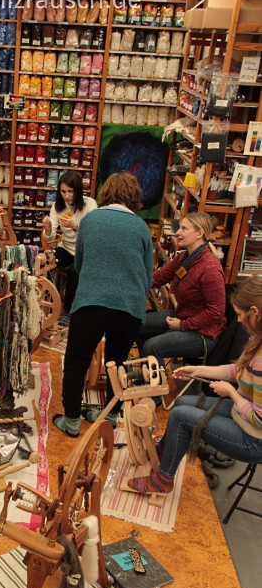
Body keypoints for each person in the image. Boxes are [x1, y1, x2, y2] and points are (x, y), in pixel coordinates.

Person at [129, 276, 262, 495]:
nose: (238, 320)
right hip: (243, 416)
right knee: (182, 401)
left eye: (240, 315)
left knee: (181, 417)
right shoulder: (256, 338)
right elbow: (239, 370)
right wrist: (199, 370)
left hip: (254, 439)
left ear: (254, 312)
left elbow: (259, 419)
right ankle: (164, 451)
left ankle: (163, 480)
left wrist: (231, 392)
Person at [53, 171, 154, 437]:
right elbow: (148, 278)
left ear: (106, 193)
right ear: (134, 197)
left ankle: (71, 422)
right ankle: (110, 416)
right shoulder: (142, 228)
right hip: (129, 306)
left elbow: (79, 264)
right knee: (117, 365)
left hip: (92, 302)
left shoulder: (90, 220)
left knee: (76, 363)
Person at [136, 212, 227, 369]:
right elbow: (157, 278)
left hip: (204, 334)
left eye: (184, 229)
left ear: (199, 233)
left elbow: (216, 312)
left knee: (152, 347)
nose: (178, 232)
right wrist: (128, 284)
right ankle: (147, 377)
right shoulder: (184, 258)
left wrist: (183, 325)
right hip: (183, 316)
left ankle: (155, 384)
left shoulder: (210, 269)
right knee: (137, 325)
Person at [41, 170, 97, 315]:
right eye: (63, 191)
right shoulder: (57, 207)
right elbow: (50, 237)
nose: (67, 196)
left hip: (83, 252)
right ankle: (44, 303)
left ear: (78, 190)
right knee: (44, 261)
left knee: (74, 271)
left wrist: (76, 227)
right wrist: (48, 229)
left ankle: (68, 311)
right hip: (65, 248)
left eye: (70, 191)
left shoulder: (90, 205)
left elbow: (93, 234)